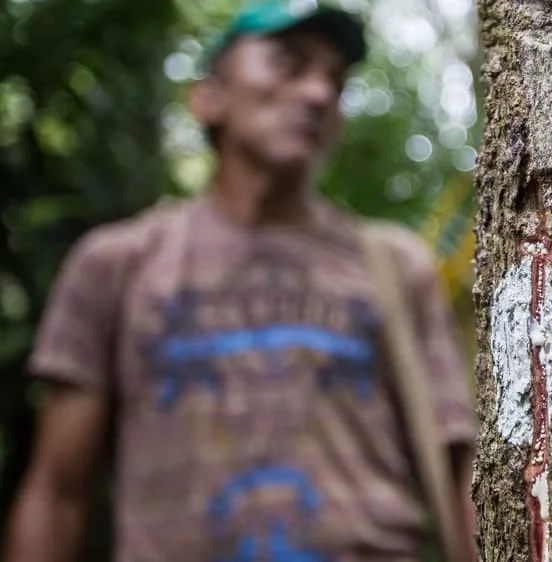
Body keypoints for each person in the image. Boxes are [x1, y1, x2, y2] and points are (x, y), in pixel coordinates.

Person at [3, 1, 478, 561]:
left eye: (335, 79)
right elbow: (59, 493)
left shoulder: (397, 266)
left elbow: (463, 471)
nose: (318, 93)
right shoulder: (115, 263)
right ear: (208, 98)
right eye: (289, 63)